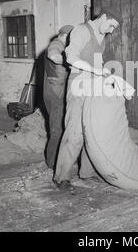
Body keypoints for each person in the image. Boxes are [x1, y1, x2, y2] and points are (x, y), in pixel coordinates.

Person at [53, 10, 122, 189]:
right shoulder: (81, 30)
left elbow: (97, 64)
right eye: (111, 25)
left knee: (92, 129)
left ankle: (87, 172)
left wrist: (106, 80)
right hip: (79, 85)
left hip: (94, 86)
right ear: (104, 17)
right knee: (75, 131)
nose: (112, 31)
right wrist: (97, 71)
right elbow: (71, 57)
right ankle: (62, 177)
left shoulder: (102, 37)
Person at [43, 25, 74, 169]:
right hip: (56, 93)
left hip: (53, 90)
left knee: (59, 126)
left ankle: (56, 159)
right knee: (57, 129)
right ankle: (53, 162)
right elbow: (53, 56)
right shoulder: (57, 44)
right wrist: (72, 62)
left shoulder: (60, 44)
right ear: (65, 35)